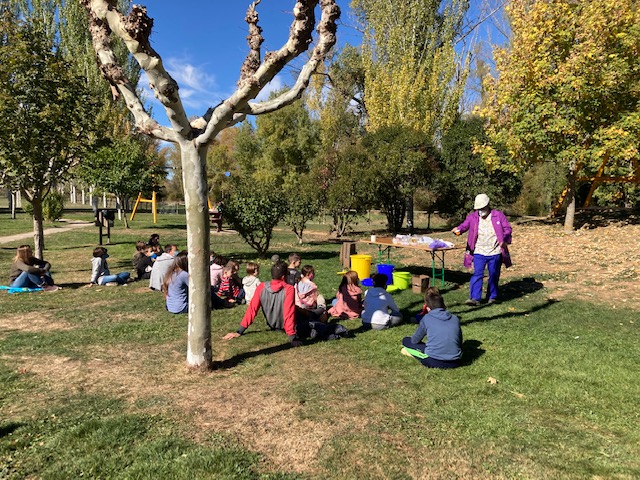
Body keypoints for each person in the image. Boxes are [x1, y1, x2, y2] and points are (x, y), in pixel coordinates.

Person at [452, 193, 513, 306]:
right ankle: (475, 298)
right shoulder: (473, 217)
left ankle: (492, 297)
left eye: (482, 208)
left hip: (495, 251)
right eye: (478, 209)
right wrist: (458, 230)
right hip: (479, 251)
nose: (481, 211)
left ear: (488, 205)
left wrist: (504, 240)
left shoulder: (498, 216)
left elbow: (507, 229)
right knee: (478, 274)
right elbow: (464, 225)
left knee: (494, 274)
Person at [223, 261, 303, 346]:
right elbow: (288, 313)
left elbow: (252, 309)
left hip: (272, 324)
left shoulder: (262, 286)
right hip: (288, 326)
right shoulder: (289, 289)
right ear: (283, 277)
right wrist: (292, 337)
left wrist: (240, 331)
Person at [401, 287, 462, 369]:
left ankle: (412, 353)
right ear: (444, 305)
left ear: (427, 308)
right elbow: (459, 342)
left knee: (406, 340)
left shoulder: (426, 318)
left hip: (433, 360)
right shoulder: (455, 318)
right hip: (456, 361)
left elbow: (415, 340)